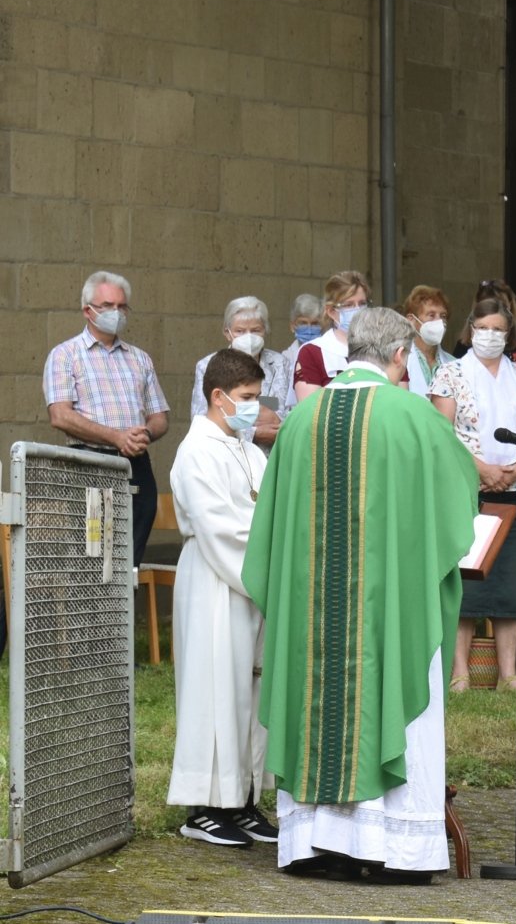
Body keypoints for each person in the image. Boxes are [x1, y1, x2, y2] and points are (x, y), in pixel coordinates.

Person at [243, 307, 479, 882]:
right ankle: (393, 852)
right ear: (400, 356)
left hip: (312, 617)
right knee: (387, 695)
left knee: (317, 701)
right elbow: (457, 499)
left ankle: (318, 844)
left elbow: (271, 525)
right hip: (389, 610)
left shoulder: (301, 419)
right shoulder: (414, 417)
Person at [167, 350, 276, 848]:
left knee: (248, 690)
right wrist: (266, 562)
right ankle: (206, 807)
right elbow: (220, 527)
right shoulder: (197, 451)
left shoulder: (246, 448)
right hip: (216, 577)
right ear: (219, 396)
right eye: (248, 398)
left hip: (249, 579)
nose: (255, 408)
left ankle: (244, 798)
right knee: (216, 688)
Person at [430, 297, 516, 692]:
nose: (491, 336)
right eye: (484, 329)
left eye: (499, 330)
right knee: (467, 579)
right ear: (471, 330)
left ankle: (508, 674)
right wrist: (481, 469)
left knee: (511, 582)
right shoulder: (449, 373)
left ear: (508, 333)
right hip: (468, 491)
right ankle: (460, 672)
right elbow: (441, 431)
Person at [44, 270, 171, 567]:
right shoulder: (65, 355)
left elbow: (160, 416)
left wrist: (145, 435)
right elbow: (60, 415)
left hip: (136, 464)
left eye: (122, 306)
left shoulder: (140, 358)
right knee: (91, 557)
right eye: (108, 306)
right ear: (88, 310)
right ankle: (90, 612)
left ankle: (123, 612)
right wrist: (116, 437)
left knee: (130, 559)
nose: (116, 313)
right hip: (89, 463)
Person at [188, 296, 293, 450]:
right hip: (228, 452)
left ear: (265, 330)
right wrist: (253, 433)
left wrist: (242, 409)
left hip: (271, 457)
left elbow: (289, 409)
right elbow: (201, 417)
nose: (249, 336)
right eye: (240, 331)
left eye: (256, 330)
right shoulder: (207, 365)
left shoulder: (280, 363)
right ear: (227, 332)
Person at [292, 270, 370, 400]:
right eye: (349, 305)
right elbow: (310, 410)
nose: (357, 310)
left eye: (362, 304)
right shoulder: (312, 353)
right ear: (332, 311)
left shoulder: (383, 348)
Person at [450, 279, 516, 360]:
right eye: (487, 306)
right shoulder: (464, 347)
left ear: (510, 305)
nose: (495, 311)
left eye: (502, 305)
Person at [400, 285, 450, 399]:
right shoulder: (399, 361)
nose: (439, 321)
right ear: (411, 320)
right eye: (431, 315)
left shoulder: (454, 363)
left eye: (443, 316)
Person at [281, 293, 324, 383]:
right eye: (303, 323)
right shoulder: (284, 360)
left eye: (315, 323)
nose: (309, 329)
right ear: (292, 326)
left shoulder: (329, 354)